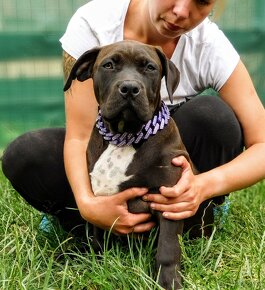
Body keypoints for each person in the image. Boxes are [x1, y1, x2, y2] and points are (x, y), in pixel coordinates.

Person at [2, 0, 265, 237]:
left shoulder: (208, 44)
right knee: (27, 153)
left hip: (165, 154)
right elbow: (80, 136)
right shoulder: (94, 23)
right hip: (102, 145)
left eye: (201, 1)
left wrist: (203, 186)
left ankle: (199, 213)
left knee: (213, 116)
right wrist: (86, 204)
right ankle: (76, 218)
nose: (182, 11)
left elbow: (262, 145)